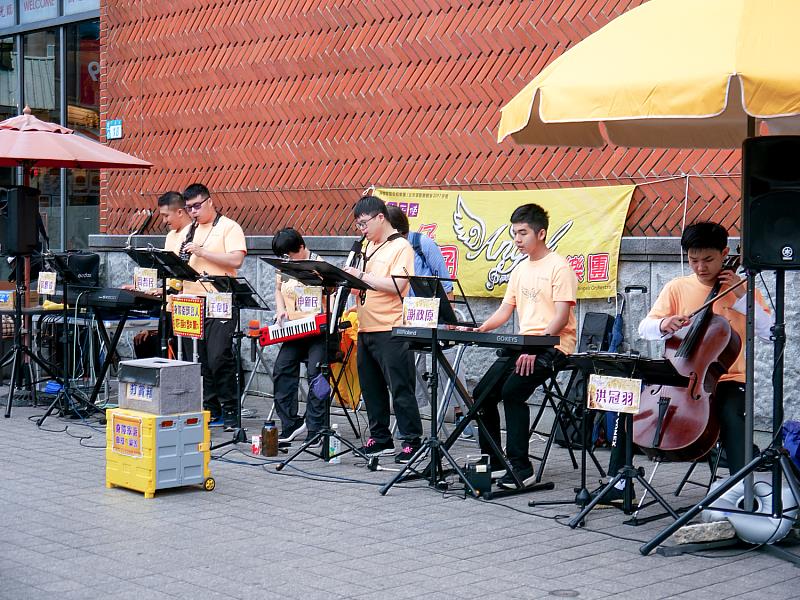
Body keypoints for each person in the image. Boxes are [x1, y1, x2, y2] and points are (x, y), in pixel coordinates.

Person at [637, 221, 772, 477]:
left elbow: (770, 334)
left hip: (730, 378)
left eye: (708, 260)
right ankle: (619, 483)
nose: (700, 267)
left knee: (732, 415)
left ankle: (740, 486)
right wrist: (664, 324)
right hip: (681, 375)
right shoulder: (677, 287)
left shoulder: (742, 289)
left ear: (724, 254)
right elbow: (644, 328)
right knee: (633, 406)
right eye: (693, 260)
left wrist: (742, 297)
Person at [473, 203, 577, 489]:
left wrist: (535, 348)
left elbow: (561, 316)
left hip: (554, 345)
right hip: (524, 344)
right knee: (482, 394)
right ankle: (493, 461)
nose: (517, 239)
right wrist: (478, 328)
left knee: (513, 391)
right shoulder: (519, 270)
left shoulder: (559, 267)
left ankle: (522, 468)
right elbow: (505, 311)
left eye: (523, 233)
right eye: (514, 233)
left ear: (541, 233)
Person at [343, 196, 424, 463]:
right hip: (365, 326)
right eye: (358, 225)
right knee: (371, 388)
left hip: (391, 327)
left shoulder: (400, 247)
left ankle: (412, 440)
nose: (361, 230)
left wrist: (362, 277)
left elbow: (398, 286)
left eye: (364, 223)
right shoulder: (367, 246)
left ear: (380, 217)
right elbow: (363, 285)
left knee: (400, 388)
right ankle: (380, 439)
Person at [180, 183, 247, 430]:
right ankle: (210, 408)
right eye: (189, 208)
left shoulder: (229, 227)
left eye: (197, 206)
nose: (194, 212)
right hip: (191, 300)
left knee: (219, 355)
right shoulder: (189, 230)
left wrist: (202, 252)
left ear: (209, 201)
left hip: (219, 299)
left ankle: (230, 407)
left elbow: (236, 260)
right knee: (198, 358)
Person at [271, 227, 327, 447]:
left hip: (317, 330)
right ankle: (290, 423)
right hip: (294, 328)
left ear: (301, 247)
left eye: (290, 254)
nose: (287, 259)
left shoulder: (318, 266)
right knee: (282, 369)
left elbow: (331, 293)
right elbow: (278, 289)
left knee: (317, 374)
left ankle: (316, 426)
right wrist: (280, 309)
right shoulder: (285, 265)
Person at [132, 191, 192, 359]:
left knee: (182, 353)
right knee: (163, 348)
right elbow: (169, 270)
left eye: (166, 216)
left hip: (183, 303)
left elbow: (187, 272)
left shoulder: (194, 233)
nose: (164, 221)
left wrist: (166, 289)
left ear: (180, 212)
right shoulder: (170, 236)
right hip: (167, 304)